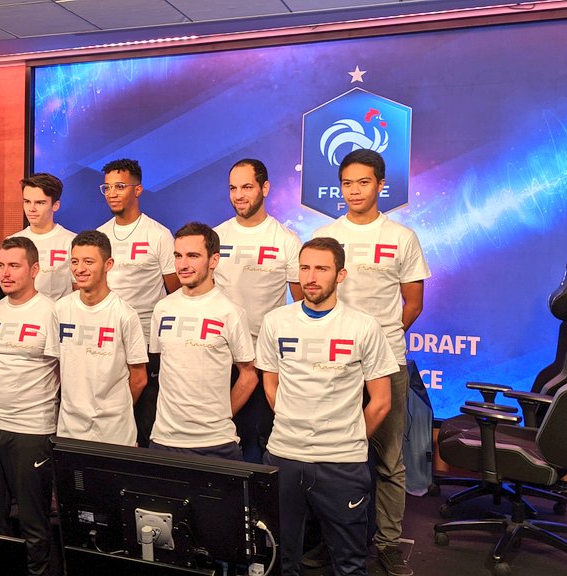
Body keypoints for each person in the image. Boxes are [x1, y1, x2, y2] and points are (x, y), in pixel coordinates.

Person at [312, 148, 431, 576]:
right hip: (334, 365)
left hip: (387, 364)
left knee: (389, 460)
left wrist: (377, 343)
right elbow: (309, 295)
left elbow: (413, 303)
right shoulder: (326, 235)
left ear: (381, 185)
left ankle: (387, 543)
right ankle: (333, 539)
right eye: (347, 183)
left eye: (363, 182)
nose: (355, 191)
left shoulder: (401, 236)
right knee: (331, 456)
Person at [255, 237, 397, 576]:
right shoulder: (275, 321)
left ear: (340, 275)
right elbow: (271, 386)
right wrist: (293, 421)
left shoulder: (363, 326)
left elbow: (381, 402)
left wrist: (348, 438)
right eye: (305, 268)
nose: (310, 277)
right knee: (279, 560)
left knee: (349, 564)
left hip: (341, 463)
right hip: (284, 456)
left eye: (321, 268)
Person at [0, 236, 57, 576]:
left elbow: (64, 371)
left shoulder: (52, 312)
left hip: (32, 431)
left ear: (34, 270)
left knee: (34, 522)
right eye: (1, 266)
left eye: (14, 266)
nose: (5, 273)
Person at [214, 158, 303, 463]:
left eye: (247, 187)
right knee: (218, 440)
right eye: (233, 188)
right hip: (218, 355)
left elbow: (300, 306)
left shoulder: (286, 240)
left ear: (265, 188)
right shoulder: (216, 237)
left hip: (263, 359)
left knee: (256, 444)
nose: (239, 195)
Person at [148, 222, 257, 460]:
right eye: (178, 256)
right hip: (164, 440)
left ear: (214, 260)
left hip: (216, 443)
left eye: (193, 256)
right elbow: (162, 366)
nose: (182, 265)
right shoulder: (162, 309)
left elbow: (249, 375)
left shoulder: (230, 312)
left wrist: (221, 416)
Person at [96, 159, 177, 447]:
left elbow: (174, 292)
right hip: (106, 339)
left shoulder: (158, 235)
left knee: (143, 423)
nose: (112, 193)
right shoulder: (100, 235)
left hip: (145, 341)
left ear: (138, 190)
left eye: (120, 186)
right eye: (107, 187)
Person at [45, 230, 148, 446]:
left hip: (115, 432)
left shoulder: (125, 315)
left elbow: (139, 378)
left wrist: (114, 410)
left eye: (88, 262)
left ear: (108, 264)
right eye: (75, 261)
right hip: (69, 428)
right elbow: (56, 368)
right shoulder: (61, 309)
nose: (79, 269)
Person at [3, 172, 75, 301]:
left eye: (40, 203)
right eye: (27, 202)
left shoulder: (71, 242)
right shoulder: (12, 242)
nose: (31, 208)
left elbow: (79, 291)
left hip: (58, 312)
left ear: (55, 205)